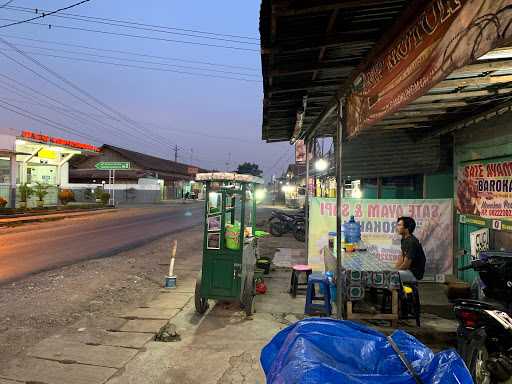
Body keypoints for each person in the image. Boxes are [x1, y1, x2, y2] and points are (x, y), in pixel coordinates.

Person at [395, 216, 426, 282]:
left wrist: (394, 273)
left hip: (414, 274)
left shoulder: (411, 242)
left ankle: (395, 292)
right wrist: (394, 269)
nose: (397, 227)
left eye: (399, 225)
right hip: (408, 270)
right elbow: (402, 257)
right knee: (389, 273)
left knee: (391, 277)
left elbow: (406, 264)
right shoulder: (404, 239)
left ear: (407, 228)